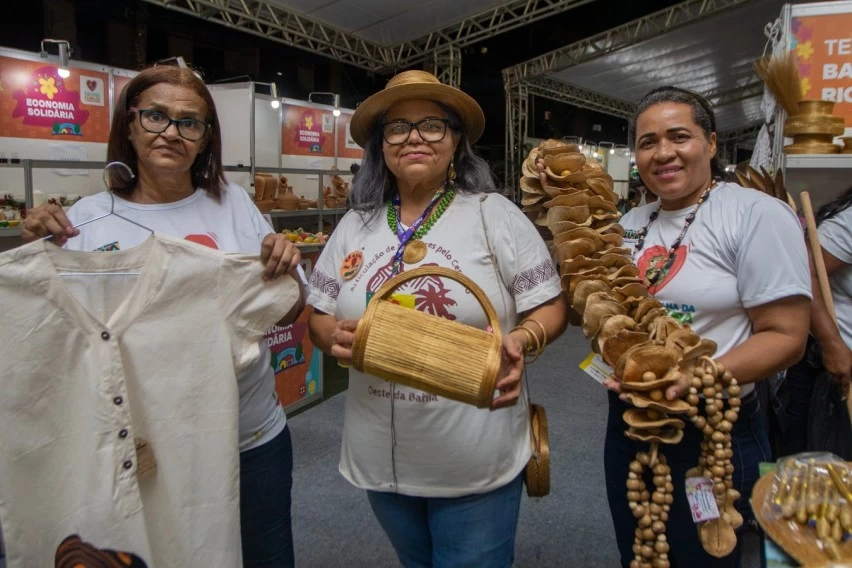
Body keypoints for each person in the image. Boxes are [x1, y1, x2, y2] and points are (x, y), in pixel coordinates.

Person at [21, 65, 304, 567]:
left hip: (251, 437)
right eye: (155, 116)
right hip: (147, 447)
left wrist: (282, 263)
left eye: (189, 122)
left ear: (205, 139)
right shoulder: (83, 220)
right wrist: (39, 254)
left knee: (266, 556)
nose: (171, 132)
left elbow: (291, 303)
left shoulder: (232, 204)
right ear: (129, 126)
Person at [306, 70, 568, 567]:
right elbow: (318, 313)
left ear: (455, 141)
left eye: (433, 125)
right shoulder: (355, 224)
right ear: (381, 145)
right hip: (380, 455)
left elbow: (551, 305)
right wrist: (331, 337)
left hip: (474, 450)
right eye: (398, 127)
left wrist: (525, 339)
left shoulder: (494, 214)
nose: (415, 138)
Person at [601, 86, 811, 567]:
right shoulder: (629, 222)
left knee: (705, 557)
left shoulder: (754, 214)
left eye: (679, 136)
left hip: (713, 426)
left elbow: (786, 337)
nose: (663, 153)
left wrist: (696, 377)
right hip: (629, 422)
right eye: (648, 142)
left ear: (712, 143)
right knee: (638, 548)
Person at [776, 186, 852, 456]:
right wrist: (831, 343)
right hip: (834, 368)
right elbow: (805, 267)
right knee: (818, 464)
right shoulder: (849, 221)